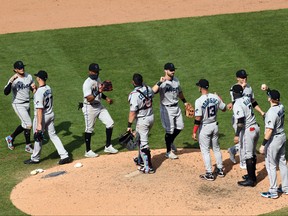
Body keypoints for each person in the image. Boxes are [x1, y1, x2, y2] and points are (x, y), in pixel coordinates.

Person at [24, 70, 71, 164]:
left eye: (37, 76)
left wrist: (39, 125)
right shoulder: (48, 88)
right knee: (53, 135)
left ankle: (35, 158)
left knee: (38, 137)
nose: (36, 77)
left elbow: (39, 109)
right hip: (50, 114)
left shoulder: (39, 93)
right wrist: (36, 91)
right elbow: (42, 96)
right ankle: (64, 155)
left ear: (39, 78)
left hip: (42, 117)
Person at [227, 69, 265, 169]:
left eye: (245, 77)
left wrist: (261, 112)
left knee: (244, 140)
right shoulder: (234, 88)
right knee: (243, 140)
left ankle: (233, 150)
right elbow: (236, 102)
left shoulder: (249, 88)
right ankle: (243, 162)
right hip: (238, 118)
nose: (245, 79)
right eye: (242, 78)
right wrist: (242, 88)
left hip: (248, 118)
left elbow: (253, 102)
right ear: (237, 78)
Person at [152, 62, 190, 159]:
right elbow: (152, 92)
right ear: (165, 70)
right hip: (166, 109)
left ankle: (170, 141)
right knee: (169, 131)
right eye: (171, 70)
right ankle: (168, 152)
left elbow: (179, 92)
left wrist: (185, 102)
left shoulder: (176, 80)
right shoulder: (162, 82)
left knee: (180, 126)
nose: (173, 71)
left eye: (173, 70)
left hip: (176, 107)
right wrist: (159, 82)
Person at [192, 79, 226, 181]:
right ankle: (220, 169)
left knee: (205, 150)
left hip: (205, 128)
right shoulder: (215, 97)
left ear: (200, 88)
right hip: (215, 126)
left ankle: (209, 173)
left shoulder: (199, 101)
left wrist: (194, 131)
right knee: (216, 148)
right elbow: (224, 108)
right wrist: (219, 97)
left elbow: (198, 118)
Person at [82, 63, 118, 158]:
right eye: (95, 72)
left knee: (110, 123)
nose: (97, 73)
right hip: (89, 107)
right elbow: (89, 98)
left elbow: (100, 92)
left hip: (99, 106)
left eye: (98, 72)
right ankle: (88, 151)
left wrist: (106, 98)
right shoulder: (87, 83)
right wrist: (99, 91)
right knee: (89, 129)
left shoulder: (98, 79)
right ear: (90, 72)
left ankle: (108, 146)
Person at [259, 89, 288, 198]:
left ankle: (273, 191)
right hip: (282, 137)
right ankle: (286, 188)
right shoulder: (281, 106)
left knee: (270, 165)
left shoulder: (271, 113)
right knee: (282, 162)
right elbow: (275, 97)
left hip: (274, 140)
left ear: (270, 99)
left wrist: (263, 145)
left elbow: (269, 131)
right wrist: (268, 89)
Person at [4, 61, 36, 153]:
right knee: (28, 124)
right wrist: (10, 81)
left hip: (27, 103)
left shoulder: (28, 76)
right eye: (20, 68)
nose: (22, 69)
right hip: (18, 104)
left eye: (22, 67)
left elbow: (31, 87)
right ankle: (28, 146)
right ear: (15, 70)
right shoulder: (14, 80)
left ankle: (10, 138)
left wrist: (33, 88)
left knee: (25, 124)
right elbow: (6, 92)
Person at [231, 84, 260, 187]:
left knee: (248, 155)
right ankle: (251, 175)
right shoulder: (246, 98)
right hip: (256, 127)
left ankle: (251, 180)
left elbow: (240, 121)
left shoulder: (237, 104)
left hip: (249, 130)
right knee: (252, 153)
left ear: (234, 93)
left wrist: (236, 134)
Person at [127, 73, 155, 174]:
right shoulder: (148, 88)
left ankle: (148, 167)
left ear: (133, 82)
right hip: (151, 117)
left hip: (142, 121)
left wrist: (129, 126)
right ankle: (140, 160)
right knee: (139, 139)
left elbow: (133, 112)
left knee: (144, 144)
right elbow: (153, 92)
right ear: (142, 81)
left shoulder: (134, 95)